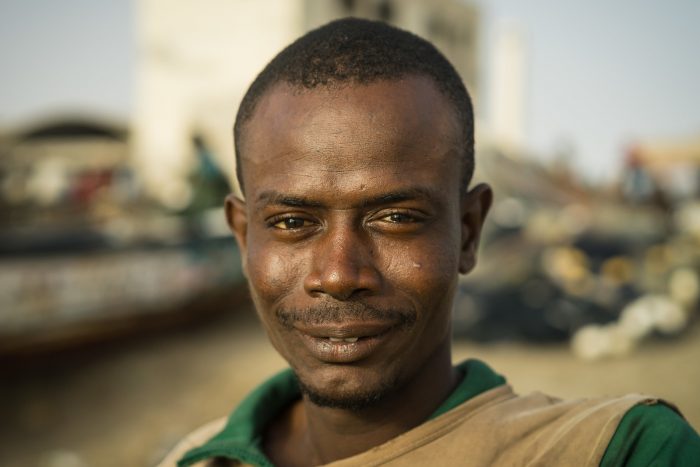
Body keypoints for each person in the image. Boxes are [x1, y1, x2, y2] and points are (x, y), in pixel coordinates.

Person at [159, 18, 700, 466]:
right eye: (293, 223)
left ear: (468, 230)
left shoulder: (612, 450)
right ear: (243, 235)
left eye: (395, 217)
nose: (340, 275)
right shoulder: (200, 459)